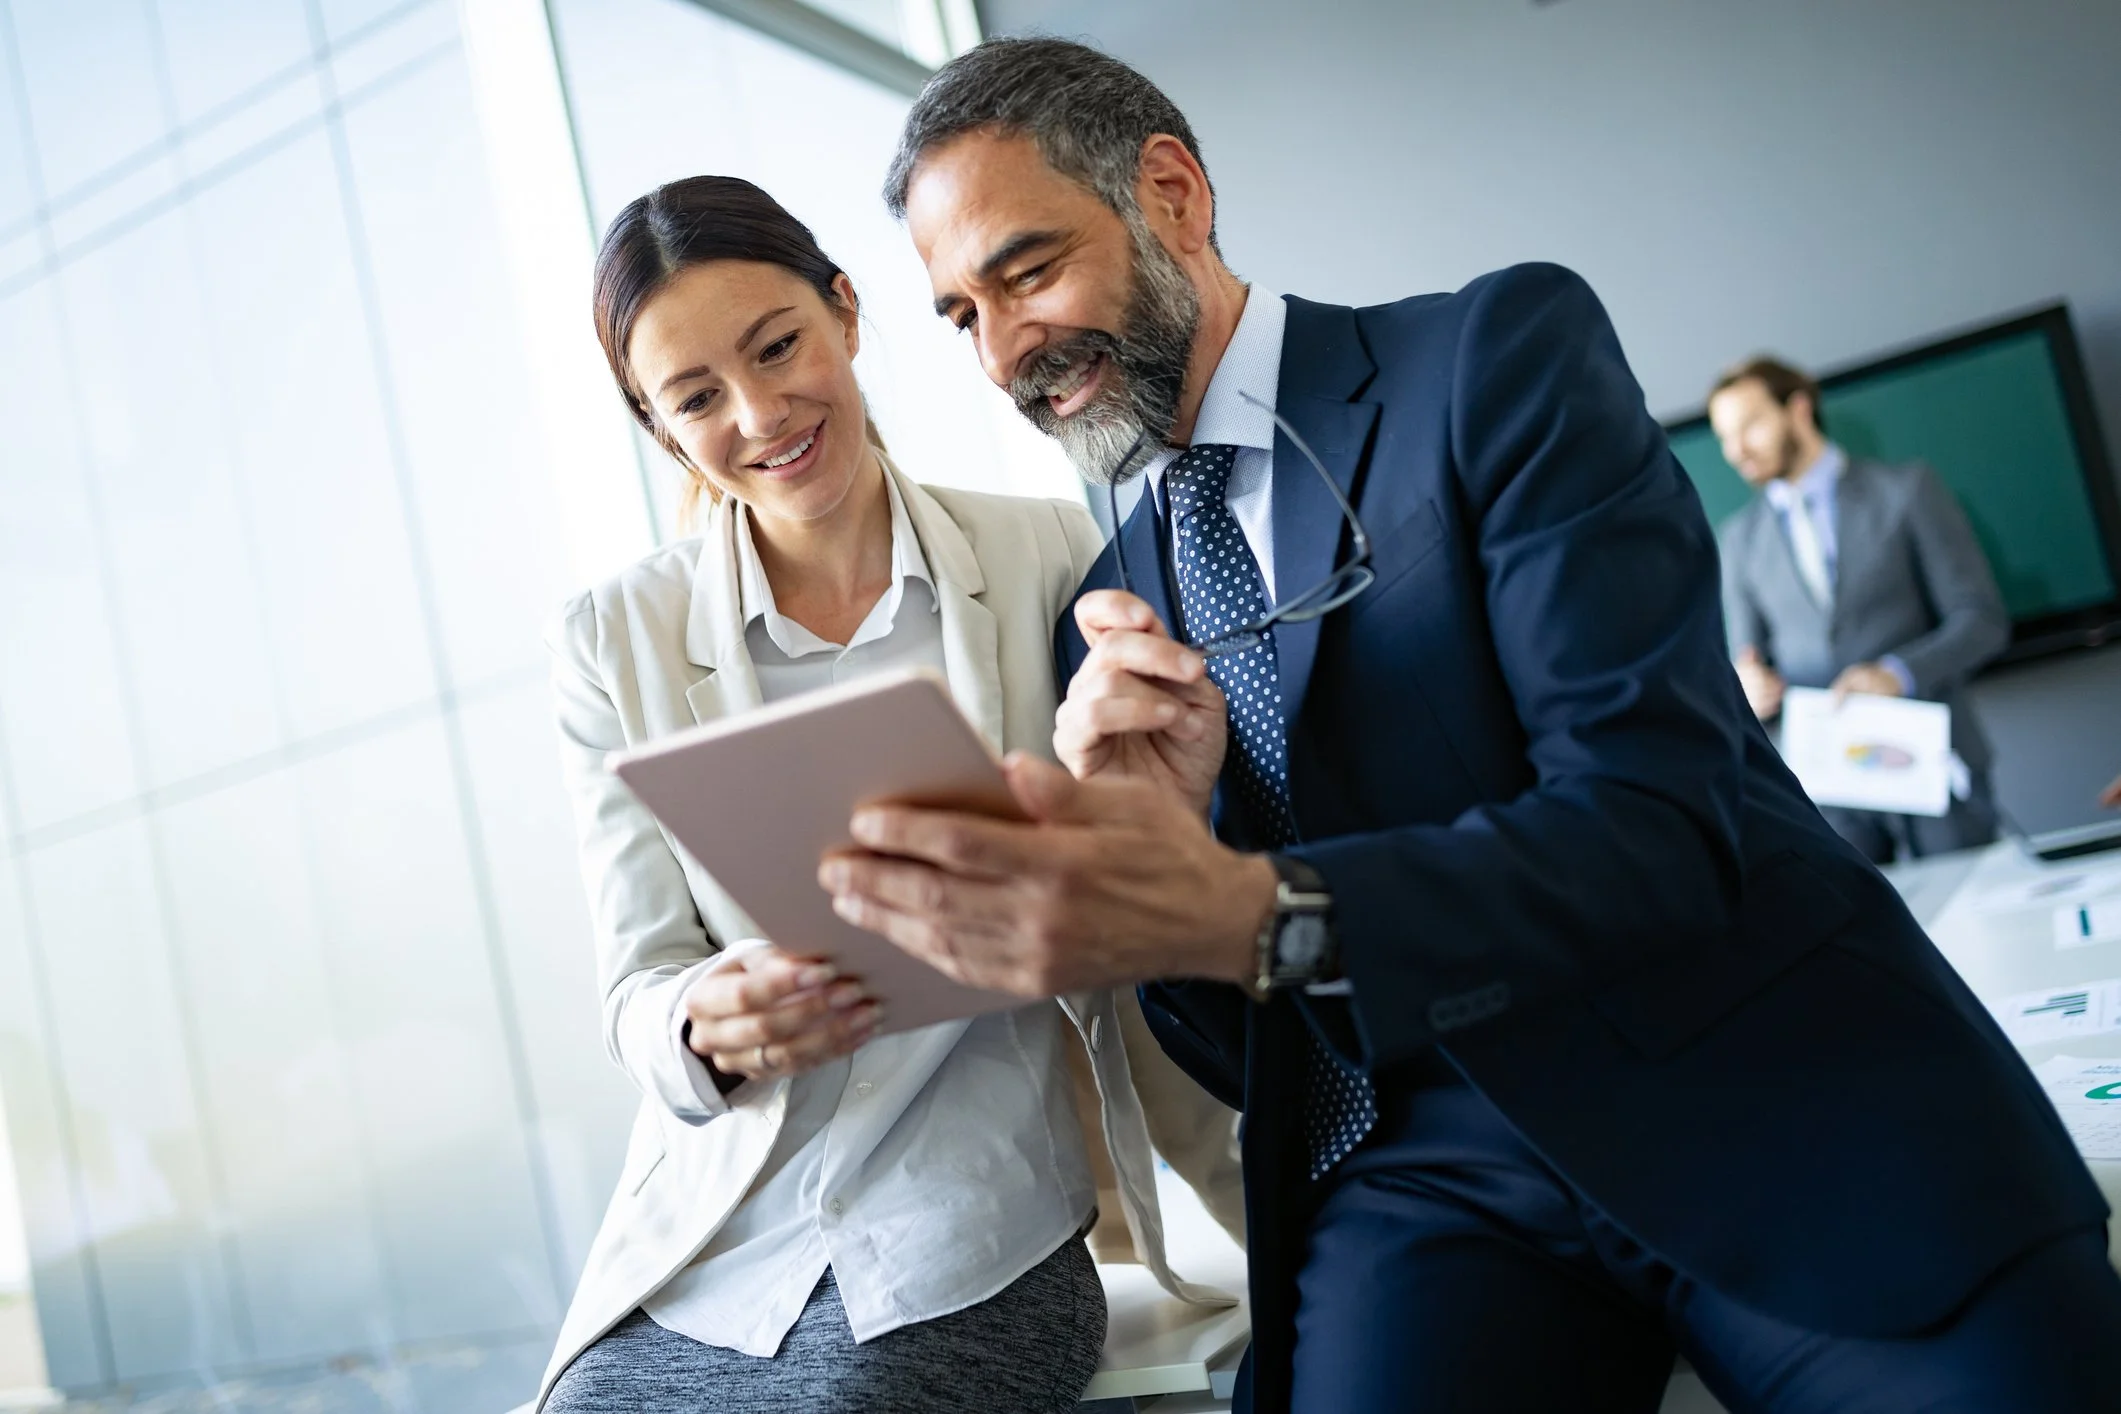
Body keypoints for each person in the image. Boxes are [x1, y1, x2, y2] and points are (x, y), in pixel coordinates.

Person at [811, 37, 2121, 1414]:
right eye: (961, 313)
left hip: (1753, 1093)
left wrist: (1254, 905)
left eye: (1026, 270)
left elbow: (1657, 823)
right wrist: (1150, 860)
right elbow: (1232, 1037)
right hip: (1427, 1183)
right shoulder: (1115, 594)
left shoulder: (1494, 358)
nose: (1007, 347)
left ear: (1172, 193)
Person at [532, 176, 1241, 1413]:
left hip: (969, 1229)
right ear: (659, 429)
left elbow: (1163, 858)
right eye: (698, 398)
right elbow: (637, 986)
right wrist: (709, 1017)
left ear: (848, 314)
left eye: (779, 346)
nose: (760, 413)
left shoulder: (1049, 557)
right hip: (720, 1249)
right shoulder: (615, 640)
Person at [1709, 356, 2011, 863]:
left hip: (1934, 764)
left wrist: (1898, 674)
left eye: (1751, 426)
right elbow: (1747, 661)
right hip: (1829, 790)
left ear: (1799, 409)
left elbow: (1981, 619)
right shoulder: (1738, 540)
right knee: (1859, 937)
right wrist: (1748, 688)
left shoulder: (1909, 491)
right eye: (1724, 437)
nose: (1736, 450)